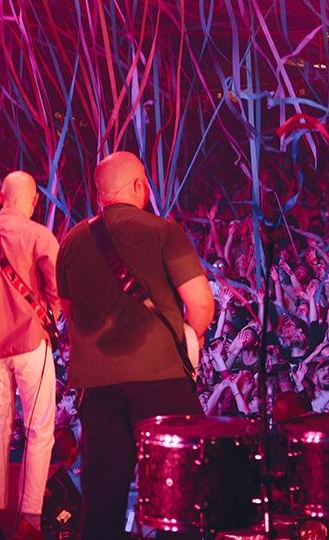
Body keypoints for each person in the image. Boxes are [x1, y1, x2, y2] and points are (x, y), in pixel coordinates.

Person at [57, 151, 214, 539]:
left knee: (103, 497)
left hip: (95, 386)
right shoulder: (162, 231)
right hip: (160, 379)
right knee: (177, 491)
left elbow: (69, 311)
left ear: (100, 194)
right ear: (140, 186)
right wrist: (189, 342)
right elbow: (200, 303)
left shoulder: (71, 241)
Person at [0, 171, 60, 540]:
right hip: (31, 344)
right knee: (39, 432)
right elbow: (58, 290)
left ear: (1, 196)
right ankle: (29, 520)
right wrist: (51, 317)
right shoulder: (38, 235)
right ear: (33, 200)